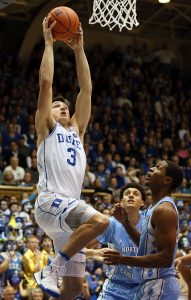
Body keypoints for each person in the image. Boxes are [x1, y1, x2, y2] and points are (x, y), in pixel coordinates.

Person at [34, 17, 109, 299]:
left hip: (69, 212)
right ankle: (51, 269)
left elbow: (86, 90)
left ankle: (55, 270)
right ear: (47, 114)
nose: (62, 106)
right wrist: (49, 44)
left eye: (64, 105)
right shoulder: (46, 129)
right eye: (56, 106)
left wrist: (79, 49)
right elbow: (45, 83)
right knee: (101, 222)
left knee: (75, 288)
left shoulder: (77, 130)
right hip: (51, 202)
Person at [103, 160, 183, 300]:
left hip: (160, 284)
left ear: (167, 180)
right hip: (150, 284)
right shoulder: (152, 208)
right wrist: (125, 222)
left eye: (158, 167)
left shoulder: (164, 210)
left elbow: (165, 258)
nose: (151, 169)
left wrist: (123, 259)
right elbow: (145, 244)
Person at [86, 182, 146, 300]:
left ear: (142, 202)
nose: (131, 196)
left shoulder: (149, 222)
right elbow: (83, 246)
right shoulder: (112, 223)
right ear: (121, 202)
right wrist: (94, 253)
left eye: (136, 194)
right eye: (127, 194)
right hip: (115, 288)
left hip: (143, 289)